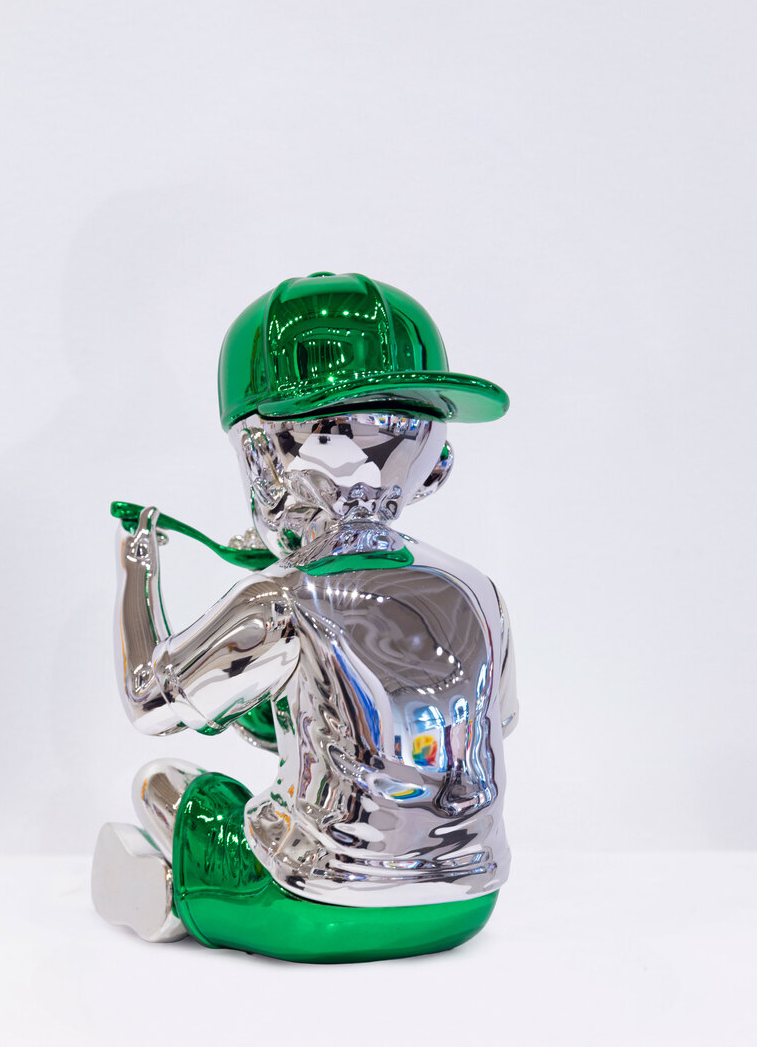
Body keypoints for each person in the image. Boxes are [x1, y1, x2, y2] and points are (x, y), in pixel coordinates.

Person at [92, 271, 518, 962]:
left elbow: (148, 701)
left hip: (324, 906)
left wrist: (136, 563)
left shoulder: (281, 599)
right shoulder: (479, 591)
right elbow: (485, 726)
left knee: (164, 783)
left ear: (263, 458)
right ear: (435, 462)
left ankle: (173, 899)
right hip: (469, 901)